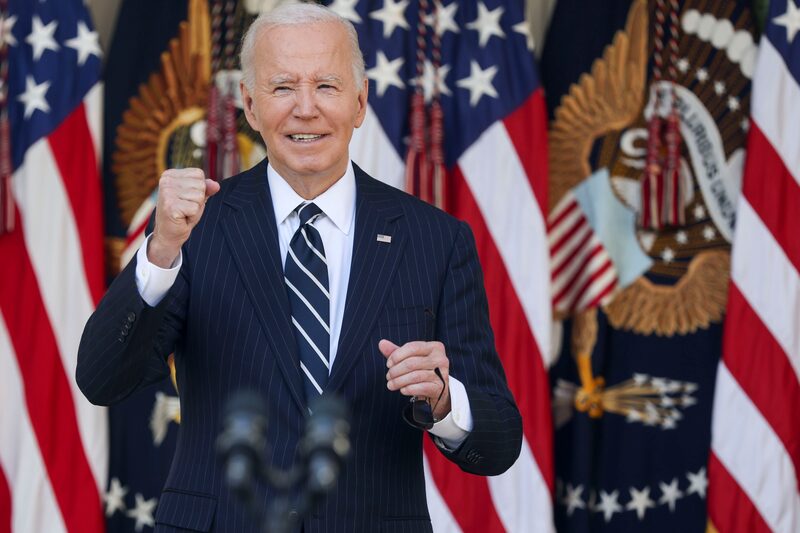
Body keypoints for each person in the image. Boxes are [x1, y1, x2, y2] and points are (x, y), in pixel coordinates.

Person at [77, 3, 521, 532]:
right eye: (283, 87)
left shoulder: (436, 240)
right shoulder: (195, 230)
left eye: (327, 86)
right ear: (249, 104)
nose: (305, 109)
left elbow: (499, 442)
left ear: (360, 102)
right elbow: (102, 380)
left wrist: (445, 401)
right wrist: (160, 251)